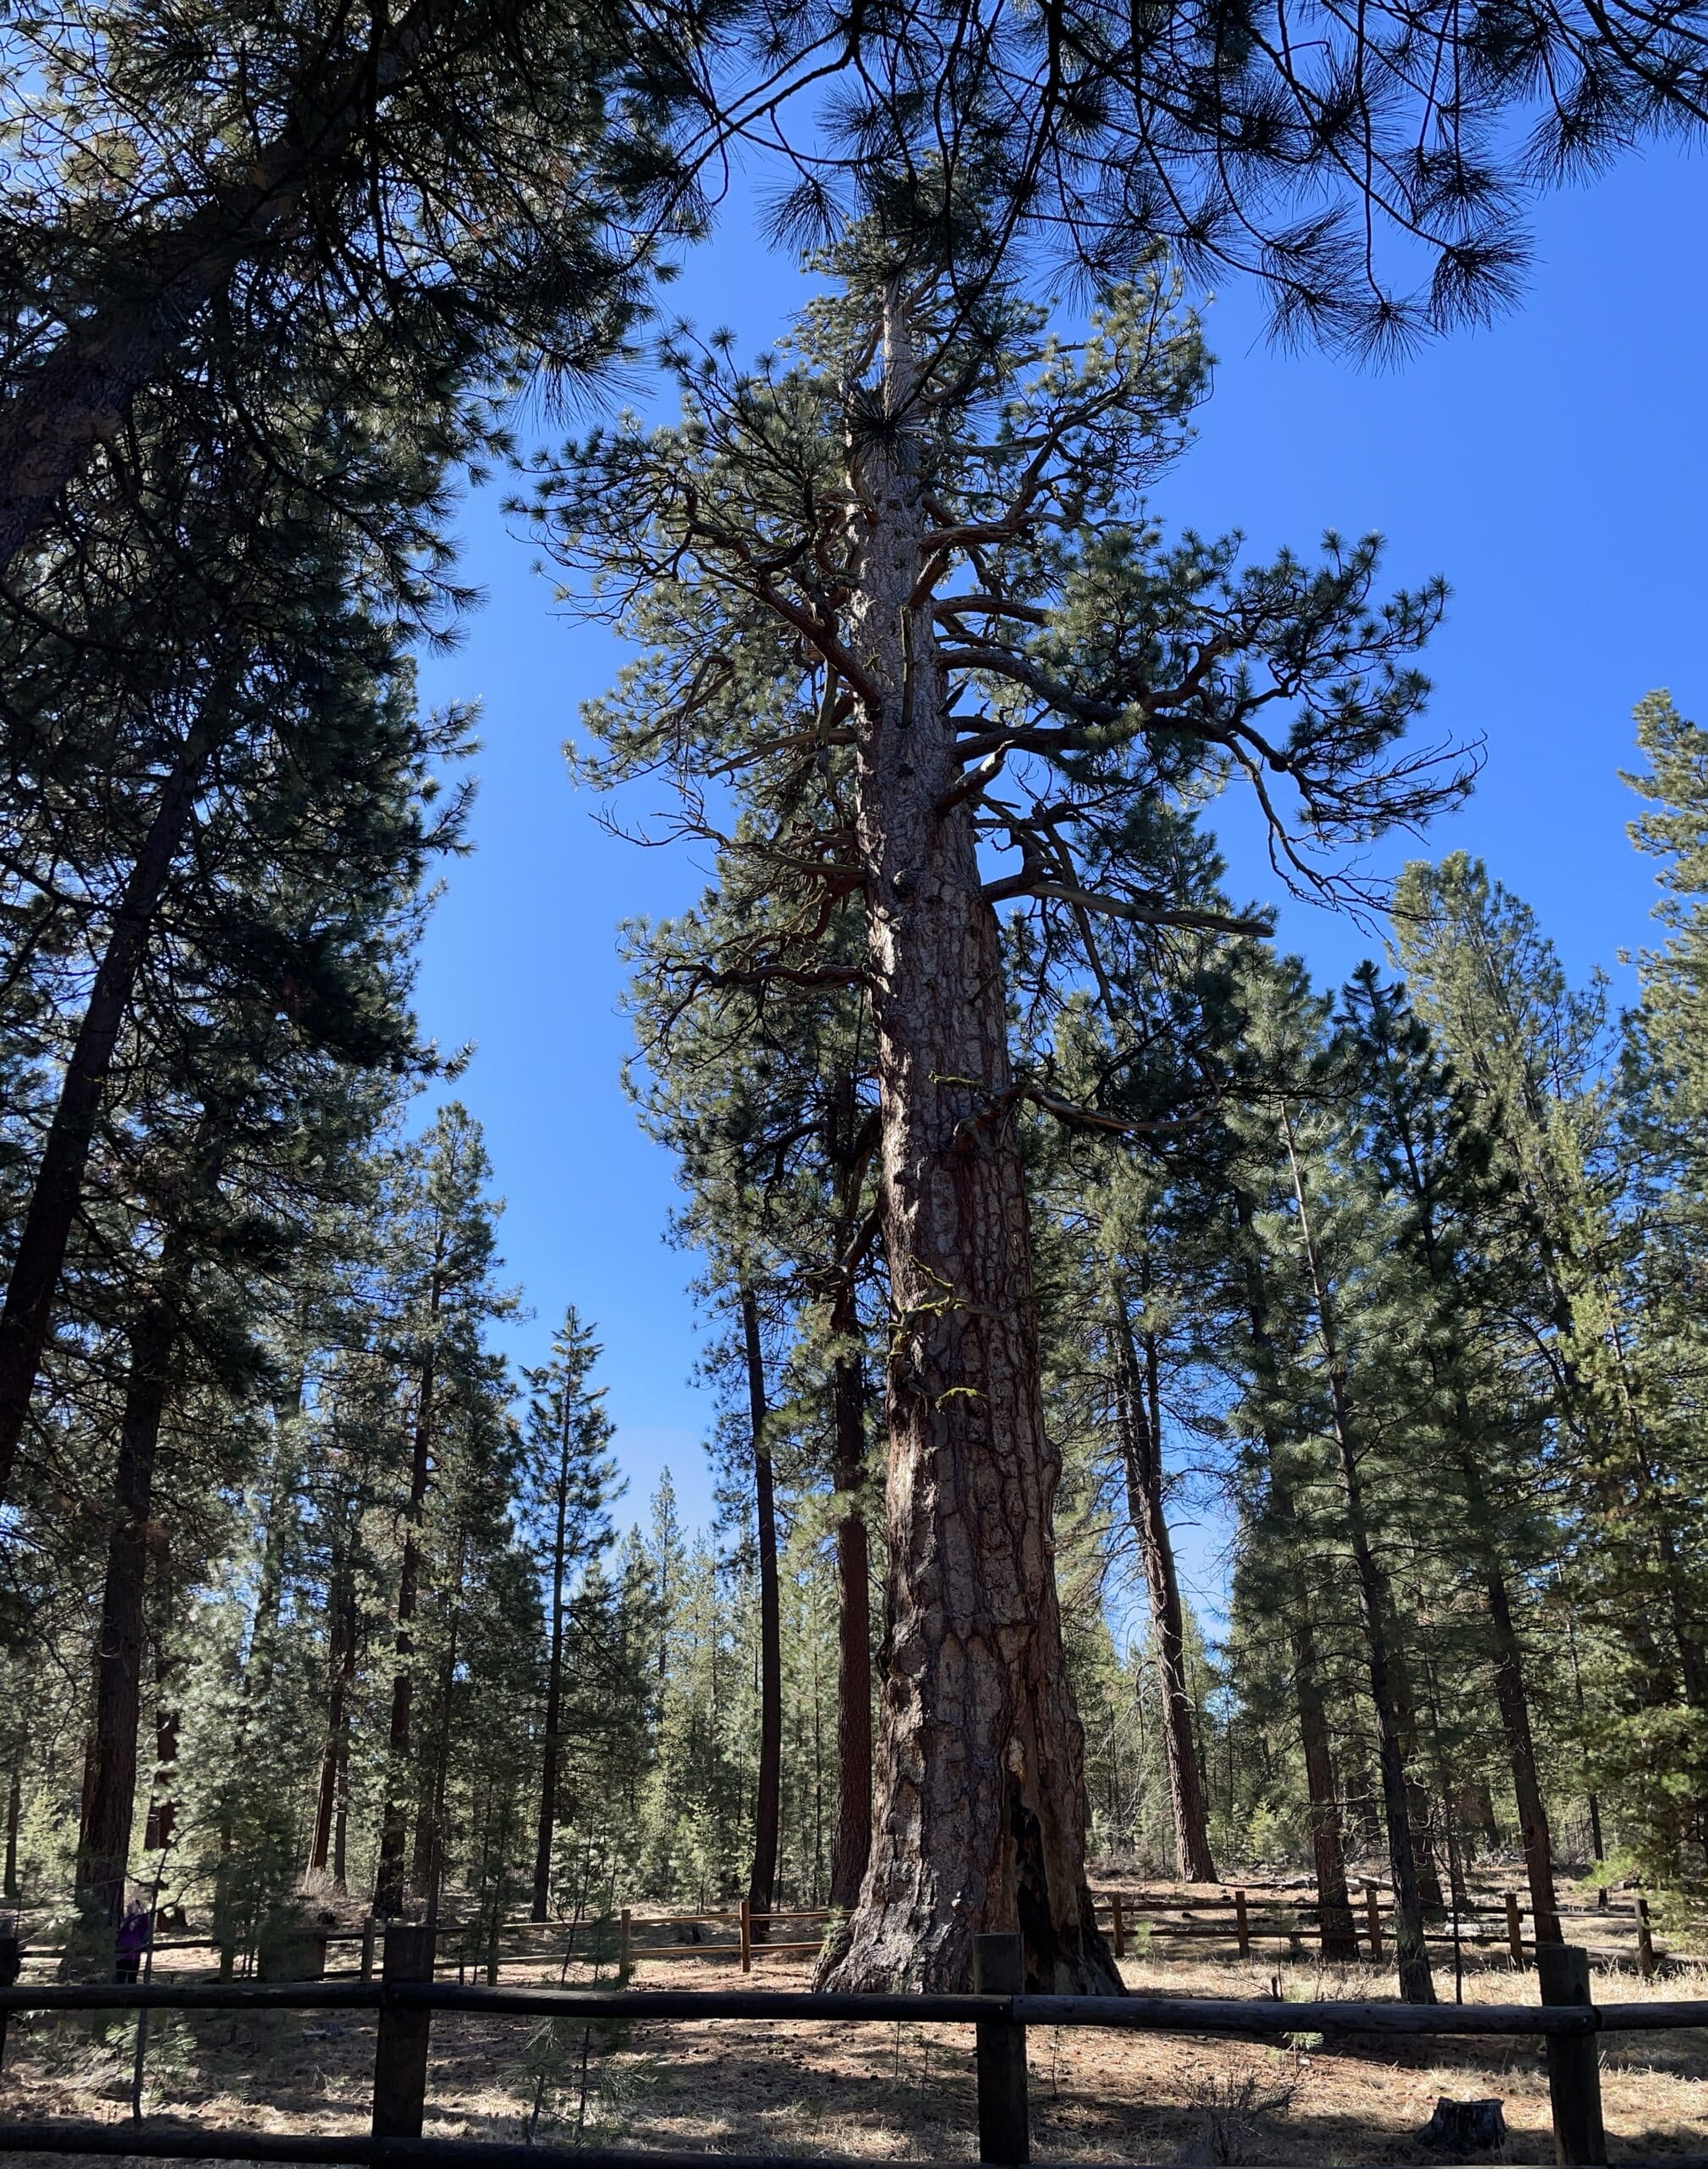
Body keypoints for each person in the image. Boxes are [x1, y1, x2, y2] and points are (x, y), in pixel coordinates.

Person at [114, 1899, 150, 1984]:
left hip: (134, 1959)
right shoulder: (123, 1931)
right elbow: (127, 1923)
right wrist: (132, 1913)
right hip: (122, 1958)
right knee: (120, 1979)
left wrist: (141, 1909)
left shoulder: (138, 1932)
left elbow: (145, 1922)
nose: (134, 1922)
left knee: (132, 1979)